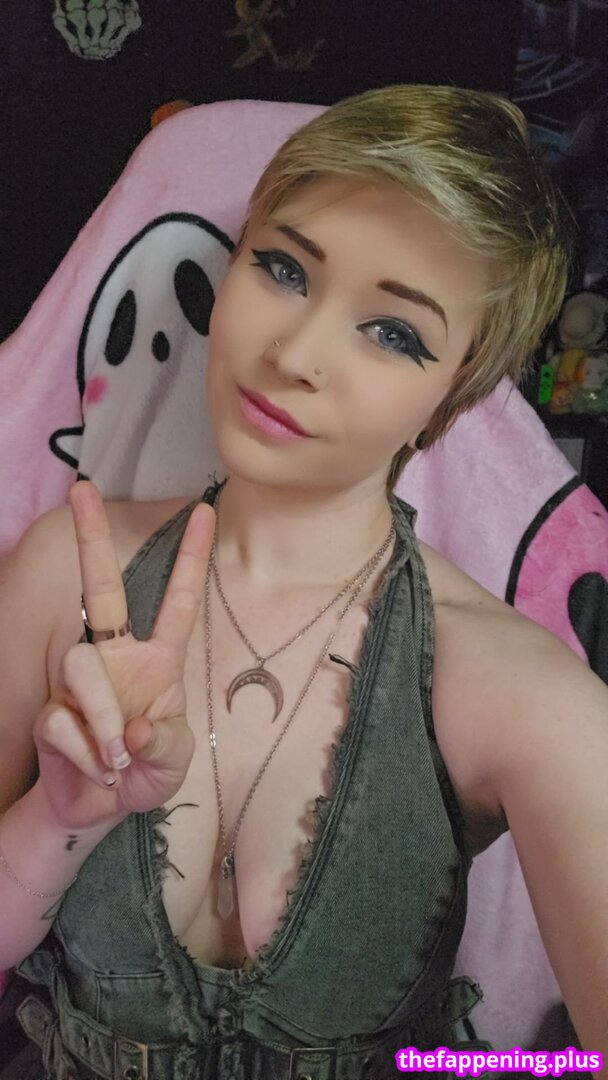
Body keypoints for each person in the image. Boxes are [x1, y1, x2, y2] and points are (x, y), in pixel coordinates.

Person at [0, 83, 606, 1080]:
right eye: (283, 269)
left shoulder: (514, 691)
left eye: (394, 332)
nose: (294, 355)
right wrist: (57, 822)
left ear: (447, 402)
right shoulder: (60, 573)